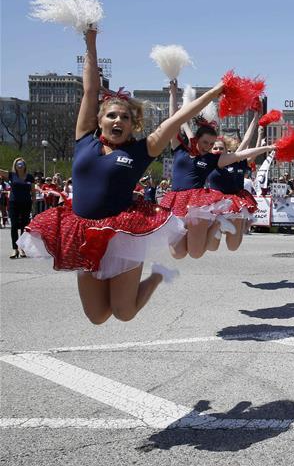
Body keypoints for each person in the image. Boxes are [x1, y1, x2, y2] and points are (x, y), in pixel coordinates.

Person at [16, 28, 211, 323]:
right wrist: (91, 41)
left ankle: (157, 277)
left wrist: (215, 92)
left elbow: (178, 119)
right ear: (99, 120)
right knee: (97, 316)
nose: (118, 120)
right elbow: (90, 90)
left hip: (123, 234)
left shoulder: (140, 151)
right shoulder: (85, 139)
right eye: (112, 116)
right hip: (82, 231)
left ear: (133, 125)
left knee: (124, 312)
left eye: (125, 117)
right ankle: (138, 283)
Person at [160, 81, 272, 259]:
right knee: (178, 254)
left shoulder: (212, 159)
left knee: (196, 254)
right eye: (205, 143)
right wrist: (172, 94)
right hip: (175, 199)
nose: (208, 147)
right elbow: (174, 121)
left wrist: (267, 148)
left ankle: (217, 223)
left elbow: (241, 154)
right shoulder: (179, 149)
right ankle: (212, 226)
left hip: (196, 201)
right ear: (196, 139)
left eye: (212, 144)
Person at [206, 110, 270, 251]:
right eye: (214, 148)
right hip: (215, 202)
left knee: (233, 246)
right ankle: (217, 224)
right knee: (212, 247)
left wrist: (255, 118)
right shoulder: (208, 162)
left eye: (220, 148)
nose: (217, 150)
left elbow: (247, 141)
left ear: (227, 150)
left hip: (236, 201)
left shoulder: (236, 160)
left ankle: (225, 224)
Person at [1, 157, 35, 258]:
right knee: (14, 225)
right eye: (18, 163)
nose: (20, 165)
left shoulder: (29, 177)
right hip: (13, 203)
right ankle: (14, 249)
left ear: (25, 165)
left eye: (22, 163)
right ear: (15, 166)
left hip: (26, 203)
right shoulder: (11, 175)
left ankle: (22, 248)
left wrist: (33, 202)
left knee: (24, 226)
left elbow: (33, 191)